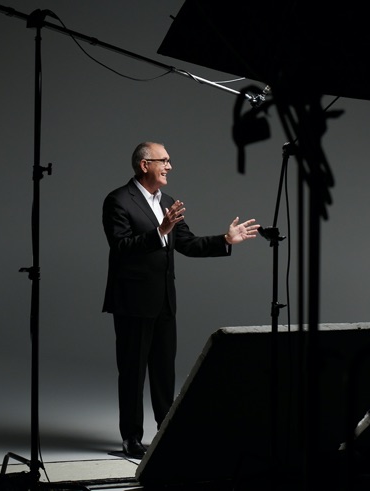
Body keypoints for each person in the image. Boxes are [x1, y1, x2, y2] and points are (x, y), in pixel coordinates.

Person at [101, 141, 260, 459]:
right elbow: (121, 246)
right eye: (164, 160)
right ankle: (131, 438)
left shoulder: (168, 201)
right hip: (132, 301)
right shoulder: (119, 200)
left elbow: (186, 243)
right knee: (133, 371)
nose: (170, 166)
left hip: (164, 302)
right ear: (145, 165)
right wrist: (160, 230)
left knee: (164, 371)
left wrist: (225, 240)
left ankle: (166, 432)